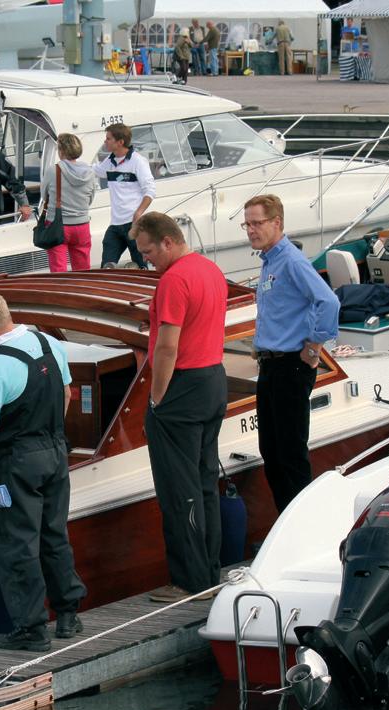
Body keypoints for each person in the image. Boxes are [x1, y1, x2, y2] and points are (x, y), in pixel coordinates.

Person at [0, 289, 87, 650]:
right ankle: (68, 615)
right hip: (55, 452)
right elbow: (66, 394)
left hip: (17, 461)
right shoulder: (48, 342)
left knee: (17, 542)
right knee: (54, 534)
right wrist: (50, 437)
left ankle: (31, 629)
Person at [132, 212, 227, 603]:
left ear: (167, 242)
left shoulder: (174, 280)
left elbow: (167, 346)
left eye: (148, 251)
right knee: (205, 483)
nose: (146, 260)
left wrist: (156, 397)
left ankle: (190, 582)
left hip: (183, 388)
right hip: (213, 379)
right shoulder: (210, 269)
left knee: (178, 489)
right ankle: (209, 572)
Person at [244, 194, 339, 513]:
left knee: (290, 454)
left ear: (277, 223)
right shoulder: (270, 261)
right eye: (247, 224)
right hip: (270, 366)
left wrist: (314, 346)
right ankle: (286, 519)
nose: (251, 230)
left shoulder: (292, 261)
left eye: (257, 223)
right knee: (271, 452)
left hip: (290, 367)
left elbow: (328, 301)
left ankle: (302, 523)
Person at [92, 123, 155, 269]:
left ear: (120, 142)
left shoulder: (138, 161)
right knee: (106, 267)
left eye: (108, 139)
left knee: (141, 267)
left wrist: (138, 213)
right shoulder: (109, 161)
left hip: (134, 224)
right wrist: (70, 165)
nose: (105, 141)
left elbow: (150, 190)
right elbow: (96, 170)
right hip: (115, 224)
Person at [39, 132, 95, 272]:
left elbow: (44, 196)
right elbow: (90, 198)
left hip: (57, 226)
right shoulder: (89, 172)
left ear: (61, 151)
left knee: (59, 272)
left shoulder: (53, 171)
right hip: (82, 225)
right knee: (83, 270)